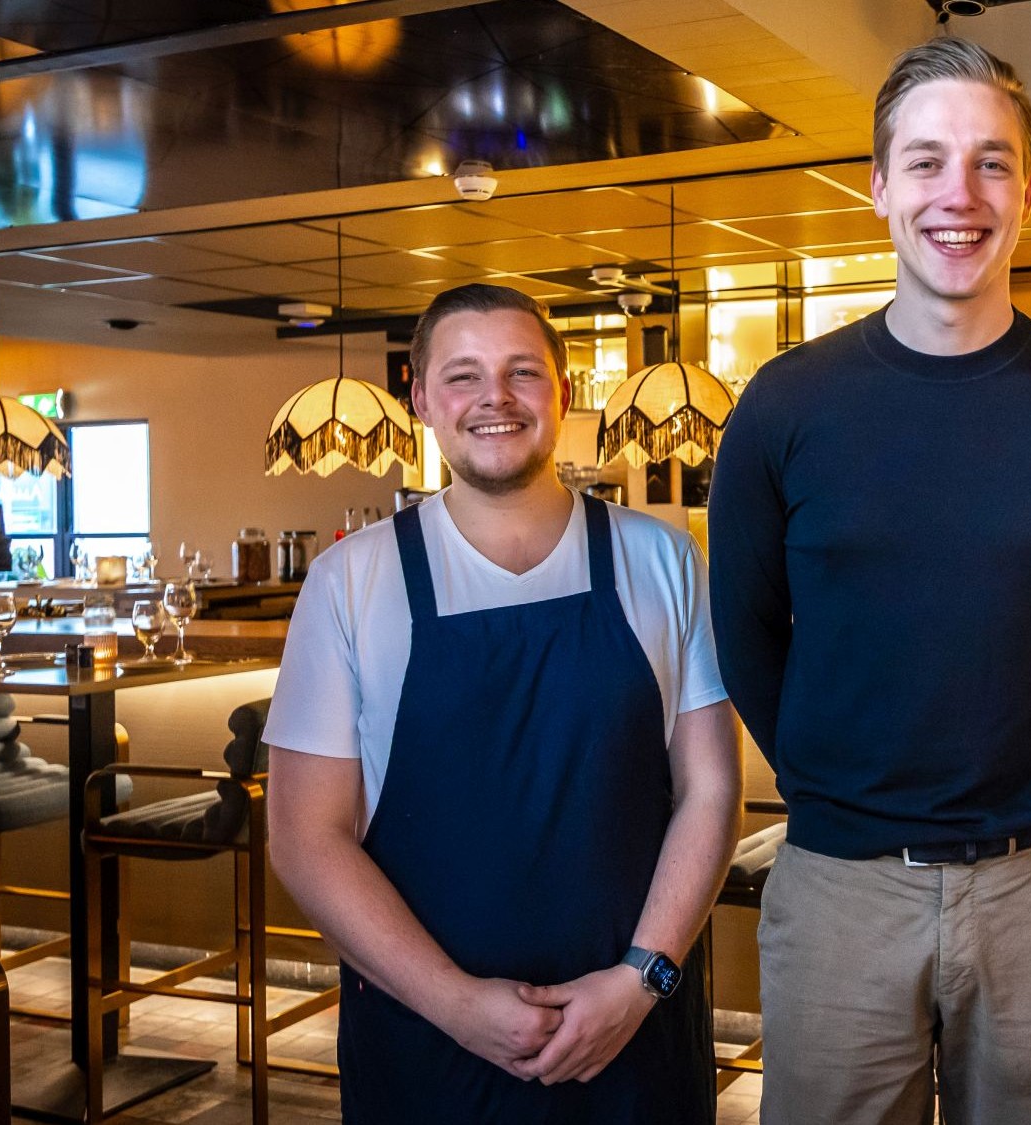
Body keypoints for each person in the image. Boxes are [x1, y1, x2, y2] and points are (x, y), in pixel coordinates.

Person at [707, 36, 1031, 1125]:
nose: (955, 195)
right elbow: (746, 640)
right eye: (923, 162)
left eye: (989, 163)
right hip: (837, 888)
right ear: (876, 188)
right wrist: (852, 788)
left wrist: (1014, 769)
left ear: (1026, 189)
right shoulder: (784, 406)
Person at [264, 283, 741, 1123]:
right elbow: (306, 838)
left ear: (563, 391)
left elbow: (710, 791)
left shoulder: (664, 559)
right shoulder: (349, 581)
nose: (495, 397)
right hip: (425, 1047)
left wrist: (640, 978)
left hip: (634, 1039)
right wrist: (453, 1002)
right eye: (463, 375)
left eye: (523, 371)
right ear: (420, 397)